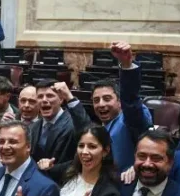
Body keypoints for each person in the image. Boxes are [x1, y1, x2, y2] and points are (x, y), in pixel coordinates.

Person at [58, 42, 153, 172]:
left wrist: (127, 65)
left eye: (107, 99)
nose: (101, 104)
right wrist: (69, 98)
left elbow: (131, 102)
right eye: (96, 100)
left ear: (120, 102)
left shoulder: (128, 121)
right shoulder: (102, 126)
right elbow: (87, 128)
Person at [30, 79, 77, 168]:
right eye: (40, 96)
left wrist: (52, 167)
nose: (44, 100)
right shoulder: (33, 127)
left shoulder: (73, 125)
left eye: (50, 96)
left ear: (61, 99)